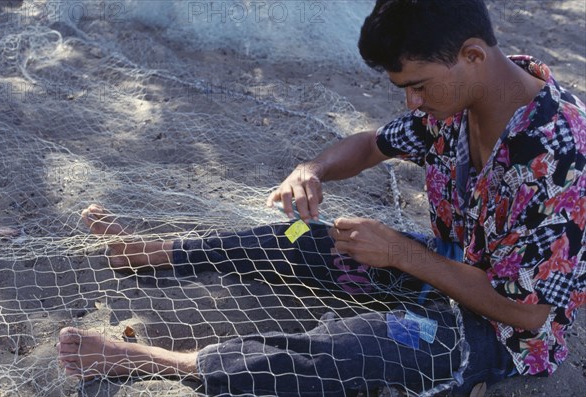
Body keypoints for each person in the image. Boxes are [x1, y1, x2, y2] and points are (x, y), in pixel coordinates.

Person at [57, 0, 585, 395]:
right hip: (446, 265)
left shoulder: (561, 155)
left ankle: (154, 361)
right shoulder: (457, 99)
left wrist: (402, 254)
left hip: (500, 331)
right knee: (299, 235)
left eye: (418, 86)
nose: (411, 101)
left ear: (472, 55)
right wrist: (311, 170)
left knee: (347, 348)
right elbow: (371, 145)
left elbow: (529, 313)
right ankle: (151, 252)